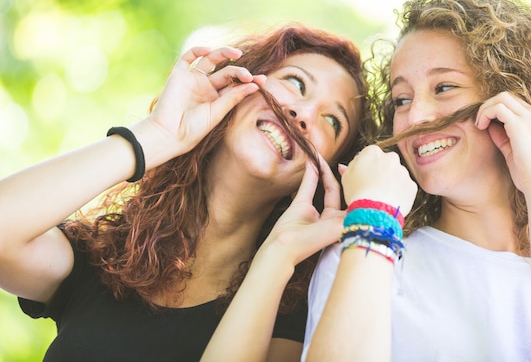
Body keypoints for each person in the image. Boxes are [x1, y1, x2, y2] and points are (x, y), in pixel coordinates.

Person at [0, 24, 378, 362]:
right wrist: (158, 136)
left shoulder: (295, 308)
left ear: (329, 171)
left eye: (333, 121)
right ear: (239, 85)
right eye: (296, 83)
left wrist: (278, 255)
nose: (304, 115)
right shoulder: (103, 256)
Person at [302, 0, 531, 362]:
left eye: (443, 87)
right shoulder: (365, 252)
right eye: (401, 99)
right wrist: (373, 214)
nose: (415, 117)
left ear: (512, 103)